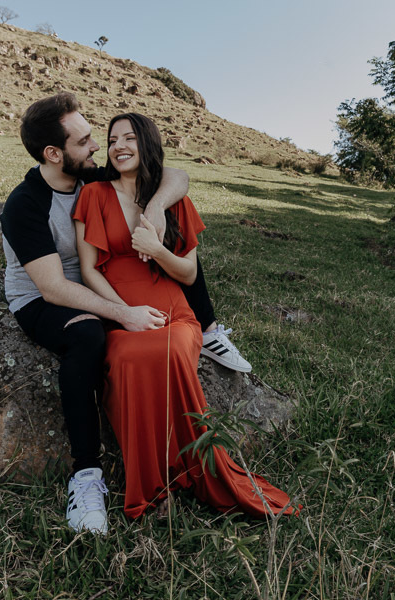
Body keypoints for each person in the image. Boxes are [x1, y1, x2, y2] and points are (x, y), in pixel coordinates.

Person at [0, 93, 250, 534]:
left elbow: (171, 174)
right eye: (86, 140)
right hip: (43, 299)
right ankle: (86, 476)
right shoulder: (26, 204)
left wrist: (153, 209)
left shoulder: (88, 177)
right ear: (53, 154)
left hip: (104, 286)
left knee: (168, 252)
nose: (97, 146)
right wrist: (123, 313)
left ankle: (208, 327)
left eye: (99, 137)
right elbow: (53, 287)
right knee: (88, 338)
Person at [73, 112, 293, 521]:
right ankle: (151, 484)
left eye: (129, 138)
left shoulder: (173, 201)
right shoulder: (95, 194)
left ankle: (191, 469)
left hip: (175, 313)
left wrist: (156, 249)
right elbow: (88, 270)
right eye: (112, 139)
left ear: (147, 144)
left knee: (173, 352)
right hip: (122, 312)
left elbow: (189, 272)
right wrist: (124, 314)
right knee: (125, 360)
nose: (119, 146)